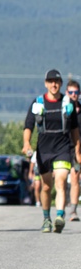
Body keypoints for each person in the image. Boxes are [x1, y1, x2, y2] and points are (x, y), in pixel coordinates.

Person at [22, 69, 81, 233]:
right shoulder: (38, 102)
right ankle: (47, 218)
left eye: (57, 82)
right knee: (46, 187)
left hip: (62, 147)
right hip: (44, 149)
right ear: (46, 84)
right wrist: (26, 143)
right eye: (50, 81)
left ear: (61, 84)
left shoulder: (67, 103)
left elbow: (75, 130)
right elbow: (28, 125)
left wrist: (77, 151)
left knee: (61, 180)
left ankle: (60, 216)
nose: (54, 84)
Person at [67, 80, 81, 221]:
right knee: (68, 177)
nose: (73, 95)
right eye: (71, 92)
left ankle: (73, 210)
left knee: (76, 177)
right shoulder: (63, 110)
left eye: (75, 92)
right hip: (66, 148)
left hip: (79, 148)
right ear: (67, 93)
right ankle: (69, 209)